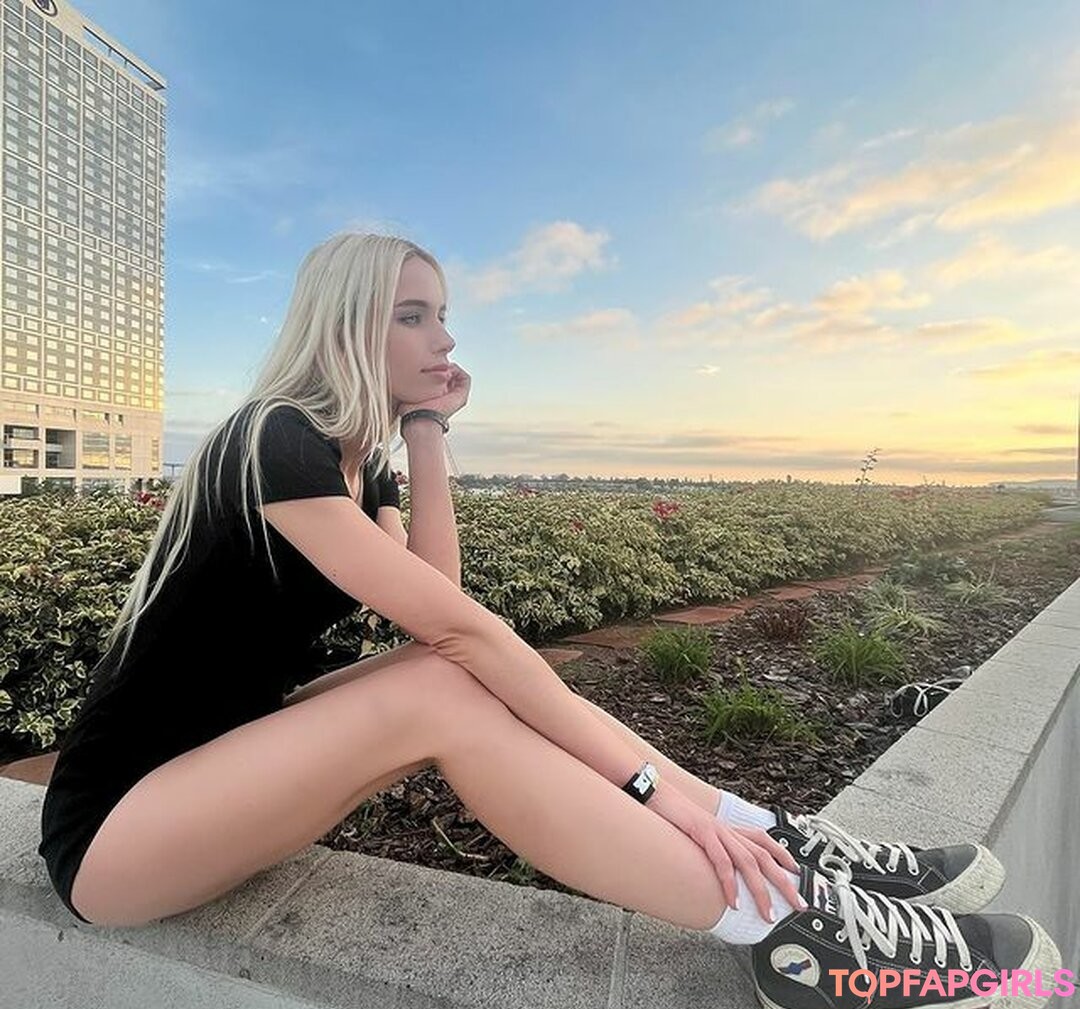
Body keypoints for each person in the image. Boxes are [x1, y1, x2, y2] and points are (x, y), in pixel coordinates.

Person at [38, 232, 1061, 1008]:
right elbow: (462, 630)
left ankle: (770, 840)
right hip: (120, 834)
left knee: (447, 677)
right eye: (412, 316)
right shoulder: (274, 438)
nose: (444, 338)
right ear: (346, 324)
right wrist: (650, 793)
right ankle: (791, 932)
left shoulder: (358, 461)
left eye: (444, 316)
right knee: (448, 683)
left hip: (218, 776)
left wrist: (425, 430)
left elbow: (434, 602)